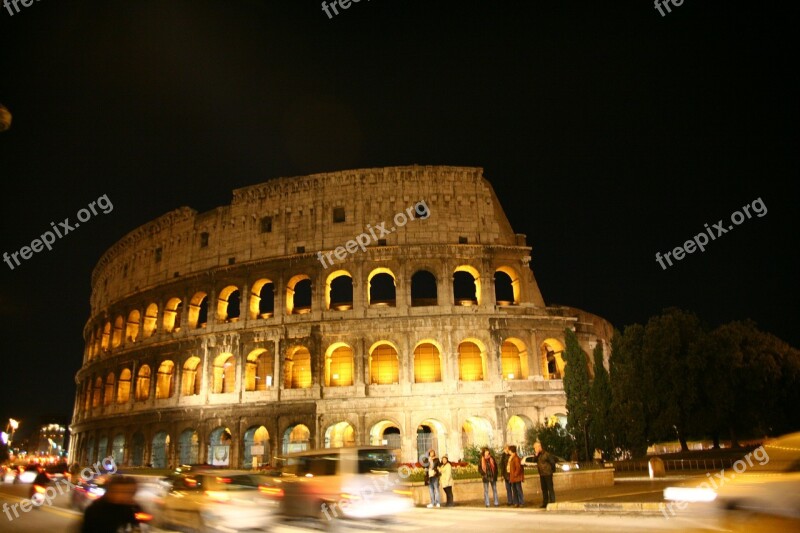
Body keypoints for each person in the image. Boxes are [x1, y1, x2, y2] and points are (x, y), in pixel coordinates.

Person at [81, 476, 148, 532]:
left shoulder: (132, 508)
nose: (127, 496)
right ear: (110, 491)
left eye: (130, 492)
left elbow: (138, 526)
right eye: (122, 492)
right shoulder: (96, 510)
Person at [534, 441, 557, 508]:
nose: (535, 449)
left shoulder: (546, 454)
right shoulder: (537, 455)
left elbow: (552, 462)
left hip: (548, 473)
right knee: (544, 489)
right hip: (542, 474)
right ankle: (545, 502)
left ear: (539, 447)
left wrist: (552, 470)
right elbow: (534, 460)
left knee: (550, 488)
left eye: (535, 448)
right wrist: (536, 454)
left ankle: (552, 502)